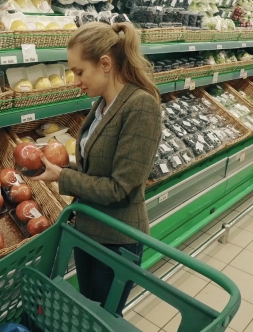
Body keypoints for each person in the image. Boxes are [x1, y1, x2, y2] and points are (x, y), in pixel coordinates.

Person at [29, 21, 162, 315]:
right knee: (88, 311)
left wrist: (63, 177)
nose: (75, 80)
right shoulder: (102, 104)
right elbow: (98, 165)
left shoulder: (140, 105)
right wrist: (63, 164)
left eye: (79, 71)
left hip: (117, 240)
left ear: (105, 63)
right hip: (88, 229)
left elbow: (120, 188)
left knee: (103, 317)